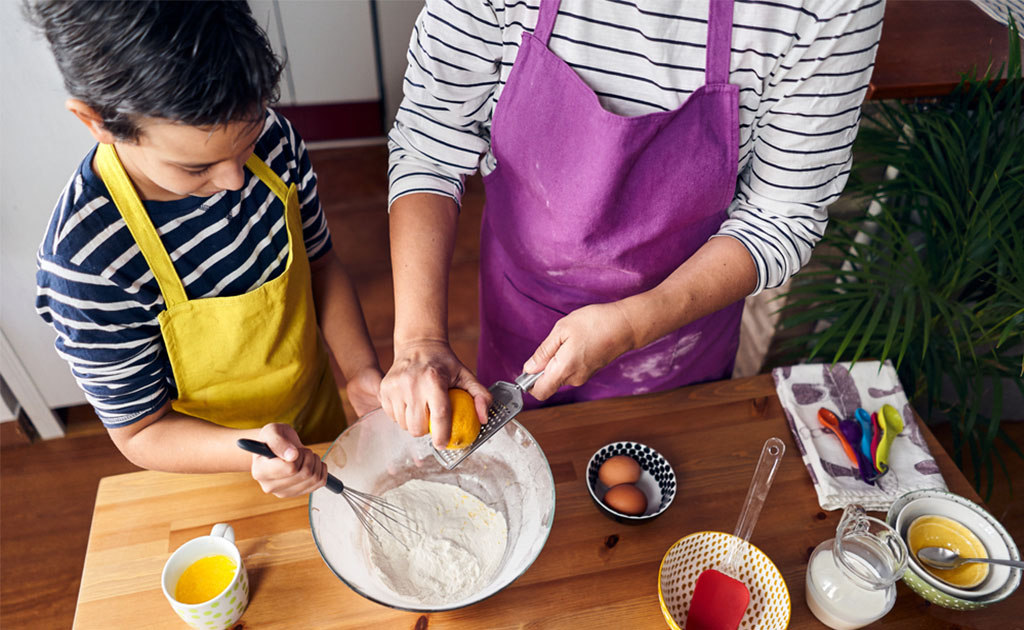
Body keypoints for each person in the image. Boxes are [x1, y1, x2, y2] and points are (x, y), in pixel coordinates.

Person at [380, 0, 885, 447]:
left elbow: (781, 212)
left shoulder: (826, 6)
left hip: (680, 340)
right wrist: (419, 340)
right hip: (521, 313)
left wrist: (635, 323)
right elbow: (431, 141)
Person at [28, 0, 382, 497]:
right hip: (212, 462)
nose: (235, 179)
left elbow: (320, 264)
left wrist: (361, 371)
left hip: (314, 404)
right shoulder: (89, 265)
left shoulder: (275, 143)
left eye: (248, 138)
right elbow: (141, 431)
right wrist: (254, 452)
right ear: (97, 121)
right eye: (196, 168)